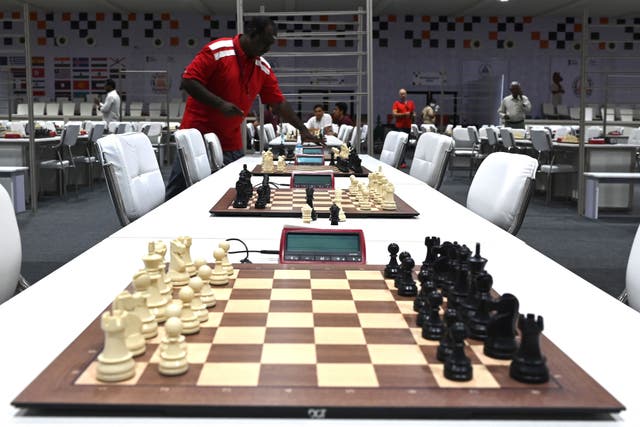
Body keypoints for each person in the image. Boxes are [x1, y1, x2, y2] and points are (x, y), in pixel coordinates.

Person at [165, 16, 320, 200]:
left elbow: (278, 103)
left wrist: (302, 129)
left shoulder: (262, 67)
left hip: (231, 142)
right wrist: (220, 104)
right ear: (251, 34)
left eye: (270, 45)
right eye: (265, 43)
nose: (267, 49)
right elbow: (188, 81)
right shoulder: (218, 51)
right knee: (177, 195)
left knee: (232, 195)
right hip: (197, 139)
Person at [392, 88, 415, 168]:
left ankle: (402, 161)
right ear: (399, 95)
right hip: (399, 127)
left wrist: (412, 115)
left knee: (406, 145)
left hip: (407, 127)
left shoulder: (411, 103)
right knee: (399, 144)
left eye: (404, 93)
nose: (403, 95)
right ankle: (399, 161)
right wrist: (404, 114)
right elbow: (394, 114)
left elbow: (412, 114)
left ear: (406, 94)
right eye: (401, 94)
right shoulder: (396, 103)